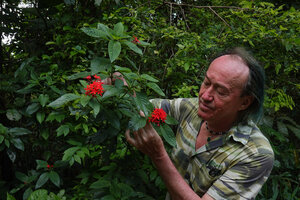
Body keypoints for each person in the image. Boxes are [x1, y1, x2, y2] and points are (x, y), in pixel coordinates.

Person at [125, 47, 274, 200]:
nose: (205, 95)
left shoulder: (256, 154)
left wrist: (158, 155)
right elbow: (140, 108)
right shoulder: (188, 109)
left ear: (244, 102)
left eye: (221, 92)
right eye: (206, 82)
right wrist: (120, 86)